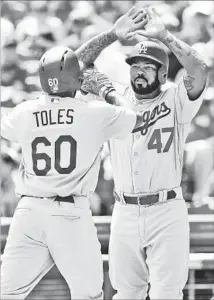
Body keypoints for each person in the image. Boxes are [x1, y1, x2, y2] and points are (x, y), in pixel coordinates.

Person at [0, 8, 149, 299]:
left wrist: (108, 37)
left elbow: (66, 69)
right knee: (89, 295)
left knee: (7, 294)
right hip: (69, 214)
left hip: (29, 212)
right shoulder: (93, 113)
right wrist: (106, 88)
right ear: (77, 81)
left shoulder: (25, 113)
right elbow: (138, 118)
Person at [84, 7, 208, 300]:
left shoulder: (177, 98)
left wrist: (165, 36)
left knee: (167, 292)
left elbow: (199, 68)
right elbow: (77, 64)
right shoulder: (115, 97)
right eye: (135, 65)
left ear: (163, 72)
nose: (139, 71)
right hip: (124, 209)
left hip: (166, 209)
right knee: (126, 292)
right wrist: (112, 35)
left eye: (148, 66)